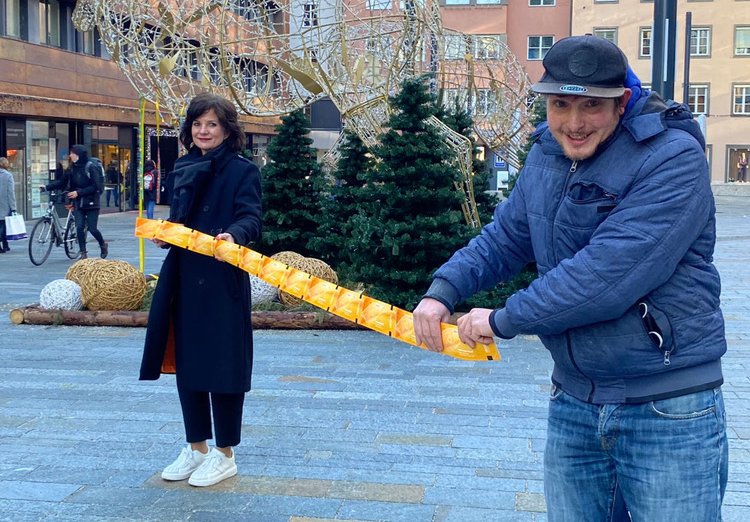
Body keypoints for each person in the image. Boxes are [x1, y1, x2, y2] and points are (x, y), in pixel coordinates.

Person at [413, 35, 727, 521]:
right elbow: (507, 237)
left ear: (622, 103)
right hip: (575, 402)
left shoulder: (672, 159)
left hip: (666, 406)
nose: (574, 123)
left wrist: (502, 319)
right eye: (561, 105)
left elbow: (605, 277)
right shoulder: (547, 154)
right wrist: (444, 290)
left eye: (591, 106)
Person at [140, 92, 262, 487]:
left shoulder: (243, 171)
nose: (203, 130)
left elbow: (251, 217)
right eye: (197, 124)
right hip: (183, 276)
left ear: (227, 129)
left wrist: (234, 235)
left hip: (223, 276)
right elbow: (181, 220)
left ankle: (225, 453)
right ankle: (196, 447)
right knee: (187, 361)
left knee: (223, 363)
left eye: (211, 124)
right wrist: (167, 235)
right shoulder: (182, 166)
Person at [43, 145, 108, 259]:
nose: (70, 156)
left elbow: (96, 186)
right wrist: (46, 187)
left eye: (72, 153)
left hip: (91, 202)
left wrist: (79, 193)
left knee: (92, 228)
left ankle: (102, 244)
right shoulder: (72, 168)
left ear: (78, 155)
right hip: (78, 203)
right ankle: (83, 253)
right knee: (79, 227)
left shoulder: (90, 167)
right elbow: (62, 182)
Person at [0, 157, 17, 253]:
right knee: (3, 225)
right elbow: (11, 192)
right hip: (4, 203)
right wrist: (13, 207)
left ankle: (5, 245)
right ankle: (4, 245)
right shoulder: (8, 176)